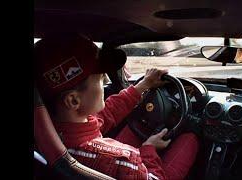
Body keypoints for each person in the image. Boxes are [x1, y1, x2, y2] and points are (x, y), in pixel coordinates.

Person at [34, 34, 200, 180]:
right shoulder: (124, 160)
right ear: (73, 101)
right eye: (100, 78)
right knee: (191, 136)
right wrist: (148, 150)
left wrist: (142, 86)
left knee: (138, 125)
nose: (106, 81)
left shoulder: (46, 132)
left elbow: (105, 115)